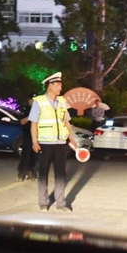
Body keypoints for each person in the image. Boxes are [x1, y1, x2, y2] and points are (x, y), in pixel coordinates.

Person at [30, 72, 79, 212]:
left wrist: (72, 138)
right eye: (57, 85)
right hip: (45, 143)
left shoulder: (62, 102)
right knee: (43, 172)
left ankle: (61, 203)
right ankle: (43, 202)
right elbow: (33, 123)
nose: (60, 88)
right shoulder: (39, 102)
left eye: (60, 85)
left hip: (61, 143)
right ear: (49, 86)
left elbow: (66, 122)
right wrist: (34, 141)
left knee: (61, 173)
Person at [17, 95, 38, 181]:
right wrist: (31, 116)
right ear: (29, 100)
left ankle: (30, 172)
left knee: (34, 155)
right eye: (32, 100)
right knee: (26, 154)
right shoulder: (26, 109)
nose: (33, 102)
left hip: (36, 135)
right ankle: (21, 172)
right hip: (27, 134)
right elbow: (22, 121)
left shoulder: (38, 109)